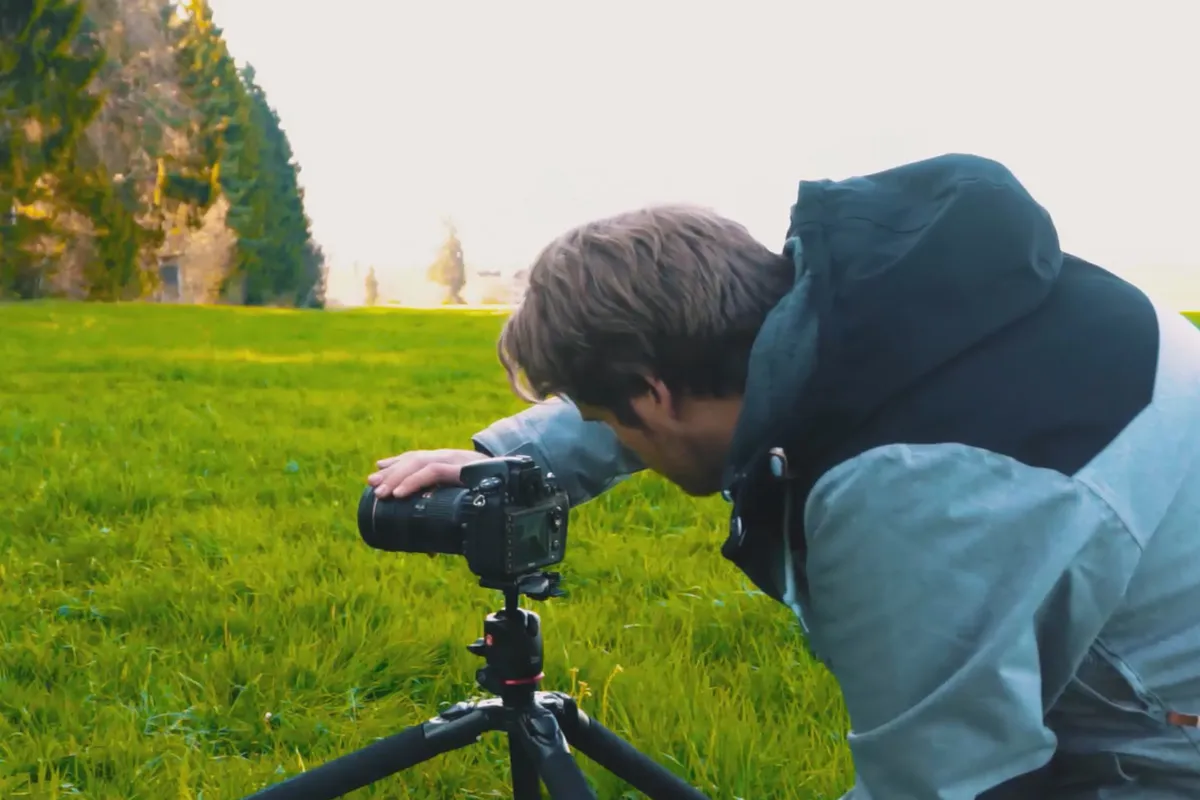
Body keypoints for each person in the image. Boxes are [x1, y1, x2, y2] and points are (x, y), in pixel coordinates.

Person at [368, 153, 1200, 798]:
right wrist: (515, 458)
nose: (613, 433)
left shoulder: (907, 499)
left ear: (651, 394)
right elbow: (687, 368)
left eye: (605, 416)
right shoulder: (872, 292)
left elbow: (947, 781)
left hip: (1166, 736)